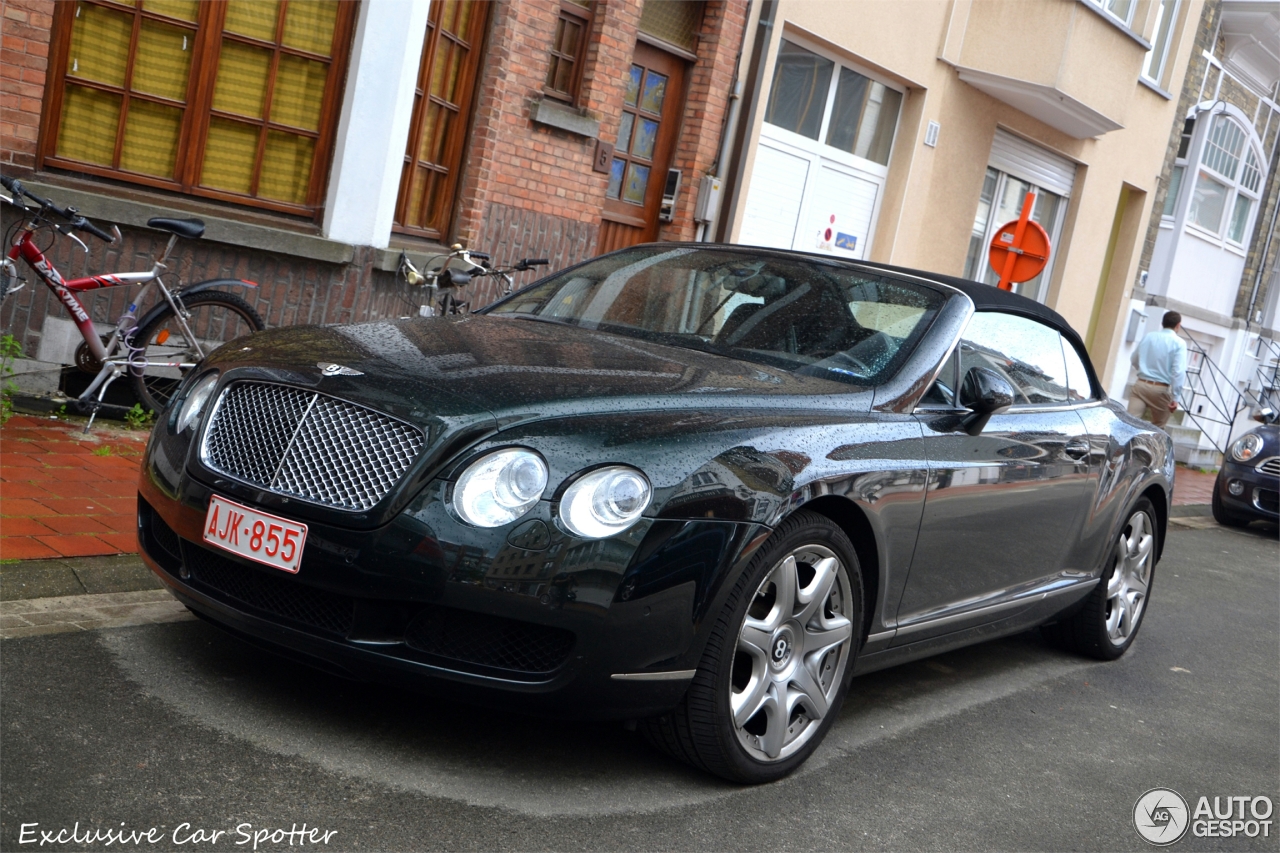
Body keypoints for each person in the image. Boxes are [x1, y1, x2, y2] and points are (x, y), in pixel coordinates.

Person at [1128, 310, 1187, 429]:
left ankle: (1122, 447)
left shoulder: (1149, 337)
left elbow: (1134, 359)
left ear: (1162, 323)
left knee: (1130, 423)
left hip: (1141, 385)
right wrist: (1176, 397)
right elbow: (1178, 371)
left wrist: (1145, 370)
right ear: (1178, 325)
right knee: (1158, 428)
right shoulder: (1179, 343)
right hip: (1161, 389)